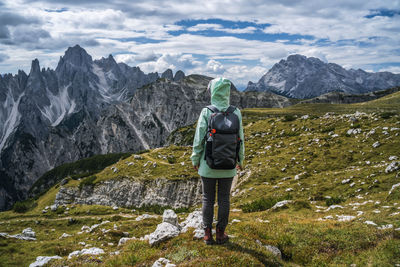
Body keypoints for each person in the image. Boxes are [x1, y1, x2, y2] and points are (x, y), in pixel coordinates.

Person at [190, 77, 245, 245]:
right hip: (229, 164)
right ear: (227, 92)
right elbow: (240, 138)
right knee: (224, 199)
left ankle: (207, 233)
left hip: (208, 164)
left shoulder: (207, 111)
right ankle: (221, 233)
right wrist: (240, 160)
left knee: (207, 198)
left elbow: (199, 138)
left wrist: (195, 158)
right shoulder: (236, 112)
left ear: (212, 91)